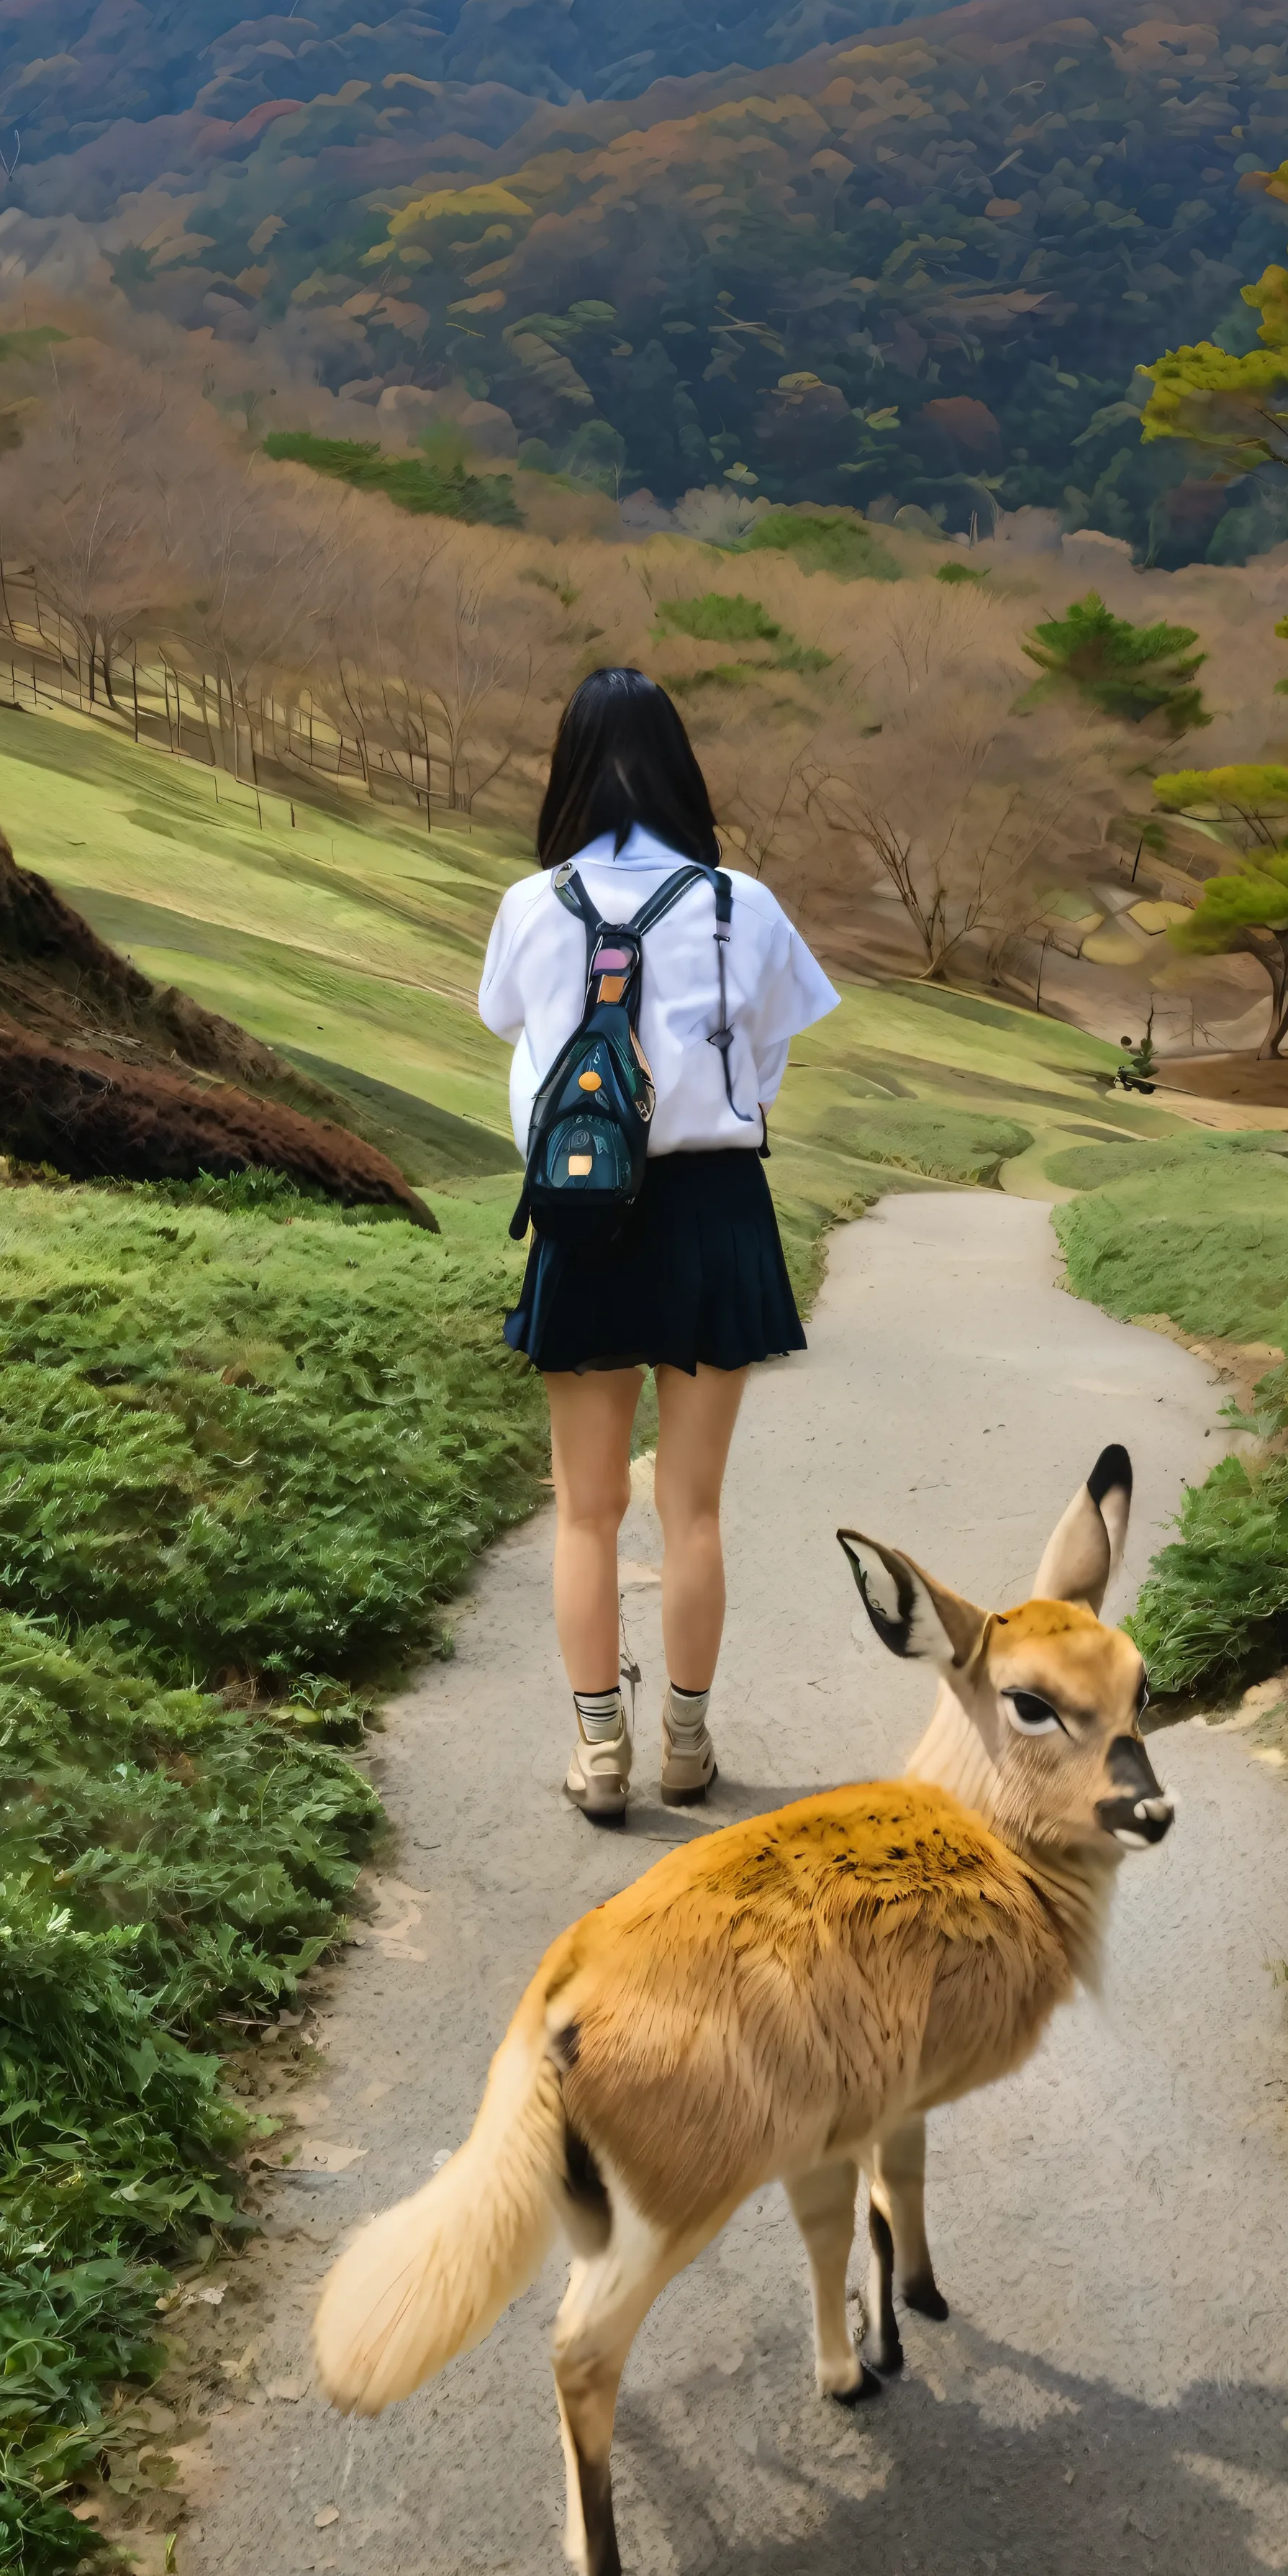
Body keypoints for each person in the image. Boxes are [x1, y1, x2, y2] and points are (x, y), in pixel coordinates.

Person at [479, 667, 838, 1828]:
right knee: (694, 1508)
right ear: (679, 765)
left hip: (583, 1216)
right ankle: (686, 1743)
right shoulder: (743, 901)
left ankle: (599, 1756)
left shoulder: (533, 904)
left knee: (585, 1510)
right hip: (714, 1209)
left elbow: (512, 1028)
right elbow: (773, 1054)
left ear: (567, 767)